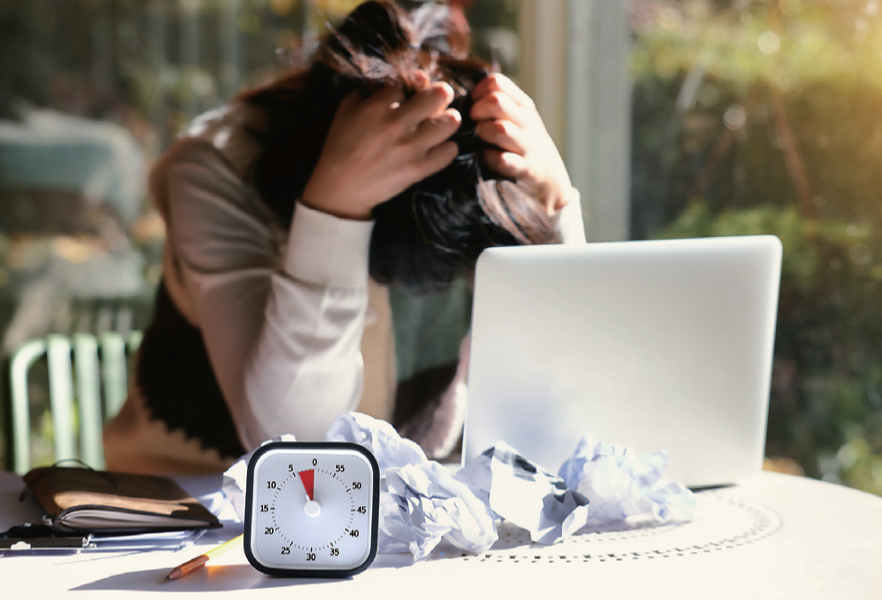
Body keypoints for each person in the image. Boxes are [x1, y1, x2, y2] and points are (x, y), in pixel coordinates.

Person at [103, 0, 585, 474]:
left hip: (402, 506)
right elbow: (293, 450)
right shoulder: (216, 168)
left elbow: (567, 400)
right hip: (184, 507)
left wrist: (553, 210)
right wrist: (332, 210)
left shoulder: (474, 155)